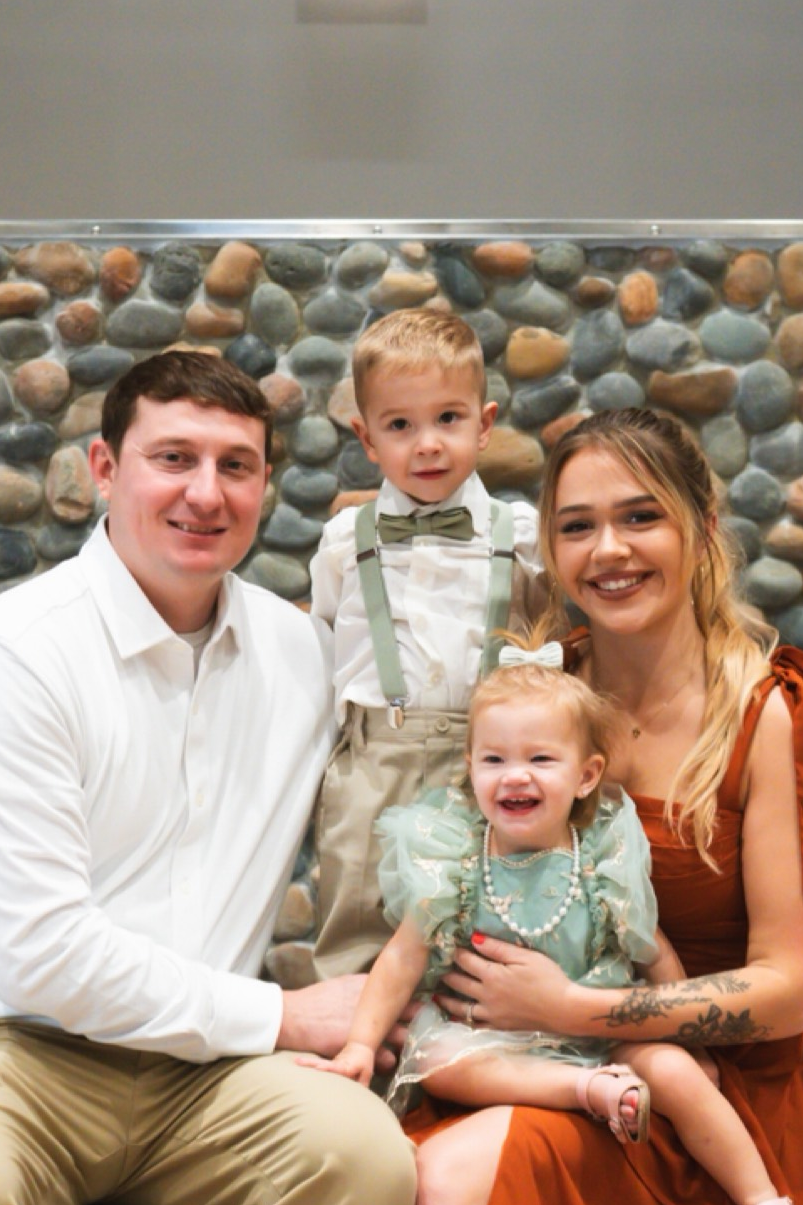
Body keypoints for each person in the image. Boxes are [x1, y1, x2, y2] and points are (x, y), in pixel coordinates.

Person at [0, 350, 416, 1205]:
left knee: (361, 1155)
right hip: (25, 1061)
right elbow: (39, 951)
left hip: (208, 1079)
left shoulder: (303, 657)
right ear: (104, 468)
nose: (206, 493)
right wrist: (284, 1015)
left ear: (263, 485)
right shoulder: (24, 651)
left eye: (236, 466)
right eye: (174, 458)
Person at [401, 406, 803, 1205]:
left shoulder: (762, 714)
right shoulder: (529, 696)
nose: (608, 549)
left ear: (702, 528)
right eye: (577, 525)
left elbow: (787, 988)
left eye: (640, 516)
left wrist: (577, 1006)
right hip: (528, 1056)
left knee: (454, 1176)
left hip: (708, 1088)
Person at [300, 657, 790, 1205]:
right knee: (435, 1063)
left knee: (676, 1073)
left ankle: (759, 1195)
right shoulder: (455, 860)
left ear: (586, 776)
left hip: (605, 1035)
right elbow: (401, 957)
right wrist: (361, 1044)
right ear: (470, 767)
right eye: (494, 759)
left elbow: (654, 952)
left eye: (540, 758)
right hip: (491, 1042)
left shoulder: (603, 859)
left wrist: (689, 1046)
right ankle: (582, 1090)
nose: (515, 775)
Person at [309, 308, 541, 980]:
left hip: (490, 761)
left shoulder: (520, 535)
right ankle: (354, 1031)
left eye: (447, 418)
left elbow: (542, 639)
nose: (428, 444)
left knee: (487, 924)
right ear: (366, 437)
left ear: (484, 424)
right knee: (357, 912)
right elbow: (327, 645)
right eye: (400, 425)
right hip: (374, 761)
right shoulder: (344, 541)